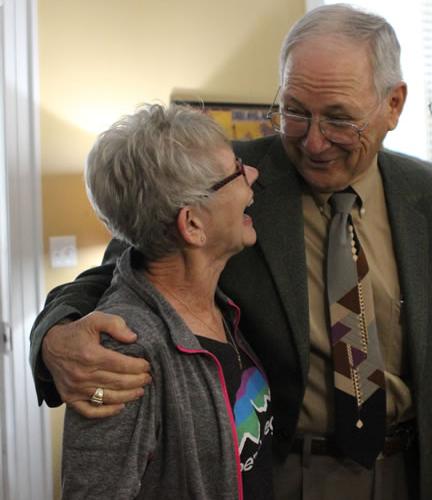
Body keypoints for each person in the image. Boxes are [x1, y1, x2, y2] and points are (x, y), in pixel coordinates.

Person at [30, 5, 432, 500]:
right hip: (280, 474)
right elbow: (120, 270)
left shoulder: (429, 196)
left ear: (393, 104)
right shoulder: (228, 184)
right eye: (295, 111)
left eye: (339, 119)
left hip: (406, 471)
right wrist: (52, 337)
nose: (314, 141)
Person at [57, 103, 273, 499]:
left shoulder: (221, 309)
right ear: (192, 224)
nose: (254, 176)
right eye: (237, 172)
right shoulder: (125, 349)